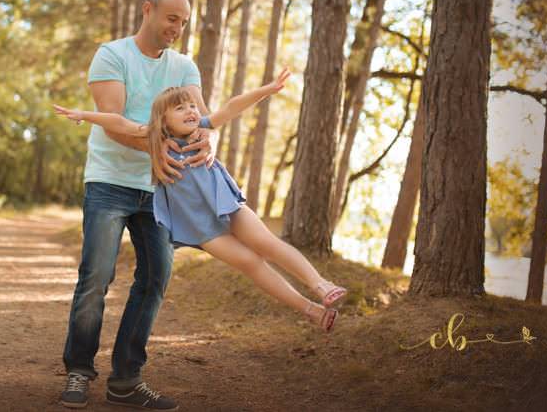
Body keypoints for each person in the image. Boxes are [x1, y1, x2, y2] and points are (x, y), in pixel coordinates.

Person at [54, 67, 348, 339]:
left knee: (267, 243)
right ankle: (312, 311)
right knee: (250, 263)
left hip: (226, 204)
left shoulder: (202, 131)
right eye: (180, 108)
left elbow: (232, 107)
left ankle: (321, 285)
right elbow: (118, 122)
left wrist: (267, 89)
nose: (191, 111)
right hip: (198, 225)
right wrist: (84, 114)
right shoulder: (154, 137)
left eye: (192, 105)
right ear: (162, 119)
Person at [59, 0, 214, 411]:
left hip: (161, 187)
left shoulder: (183, 66)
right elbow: (114, 124)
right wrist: (161, 147)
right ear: (148, 10)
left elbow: (200, 119)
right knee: (97, 276)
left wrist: (206, 139)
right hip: (109, 181)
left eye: (183, 22)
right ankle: (78, 369)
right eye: (171, 18)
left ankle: (126, 380)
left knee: (156, 277)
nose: (177, 28)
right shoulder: (112, 55)